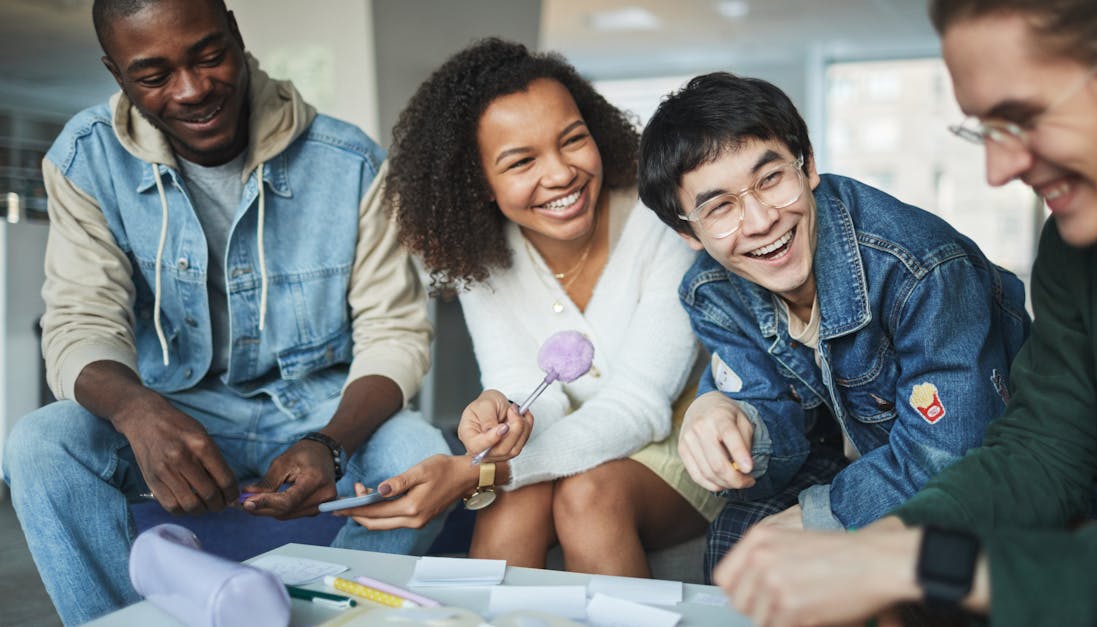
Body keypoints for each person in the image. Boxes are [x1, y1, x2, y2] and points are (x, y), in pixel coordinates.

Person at [708, 1, 1097, 625]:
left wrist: (916, 563)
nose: (999, 171)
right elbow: (1044, 448)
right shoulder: (1078, 245)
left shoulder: (923, 263)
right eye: (986, 130)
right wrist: (890, 546)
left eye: (1024, 117)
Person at [0, 0, 448, 623]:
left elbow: (394, 332)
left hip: (319, 405)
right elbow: (79, 323)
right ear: (116, 72)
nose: (192, 91)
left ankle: (334, 612)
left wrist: (330, 442)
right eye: (154, 76)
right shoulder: (84, 161)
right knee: (39, 444)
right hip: (169, 404)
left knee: (419, 457)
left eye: (209, 56)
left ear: (236, 34)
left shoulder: (349, 162)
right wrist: (136, 410)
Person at [338, 38, 722, 578]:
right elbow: (527, 386)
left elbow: (640, 404)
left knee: (585, 496)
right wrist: (504, 417)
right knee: (515, 499)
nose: (561, 173)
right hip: (581, 443)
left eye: (573, 141)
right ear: (479, 182)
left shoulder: (658, 221)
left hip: (683, 441)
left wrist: (476, 473)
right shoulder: (481, 256)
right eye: (521, 161)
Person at [638, 71, 1032, 581]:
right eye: (719, 208)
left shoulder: (920, 267)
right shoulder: (712, 292)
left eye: (771, 179)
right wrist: (721, 415)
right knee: (739, 541)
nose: (760, 221)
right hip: (853, 459)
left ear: (808, 167)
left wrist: (820, 519)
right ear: (686, 231)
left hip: (987, 478)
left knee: (869, 566)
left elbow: (952, 452)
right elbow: (775, 447)